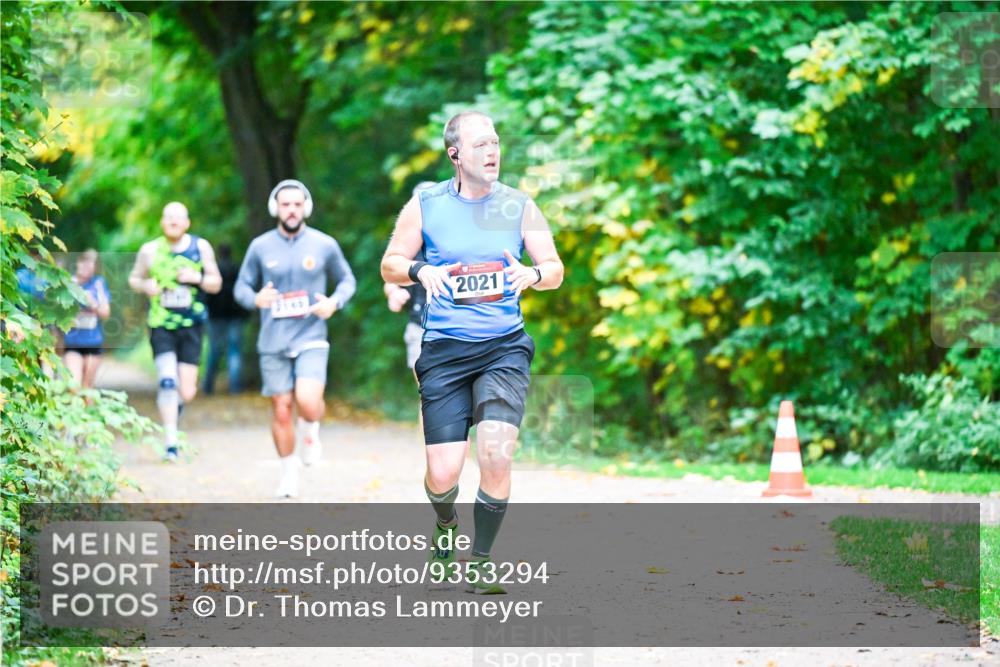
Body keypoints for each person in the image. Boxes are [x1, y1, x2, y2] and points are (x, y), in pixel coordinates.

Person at [381, 111, 564, 593]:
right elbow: (390, 264)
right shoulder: (426, 204)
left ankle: (480, 560)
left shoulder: (521, 206)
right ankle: (445, 528)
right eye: (481, 143)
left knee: (497, 453)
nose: (492, 151)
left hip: (503, 347)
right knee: (443, 474)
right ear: (455, 153)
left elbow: (554, 267)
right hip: (443, 350)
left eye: (496, 142)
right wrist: (421, 271)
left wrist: (535, 275)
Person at [235, 179, 356, 498]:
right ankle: (288, 472)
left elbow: (347, 281)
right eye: (286, 204)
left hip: (311, 334)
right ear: (276, 208)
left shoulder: (324, 244)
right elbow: (241, 287)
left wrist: (333, 302)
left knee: (307, 400)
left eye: (297, 204)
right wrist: (255, 299)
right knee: (282, 407)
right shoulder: (260, 246)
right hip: (273, 340)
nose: (291, 210)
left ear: (306, 207)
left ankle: (311, 428)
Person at [128, 202, 222, 461]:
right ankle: (171, 442)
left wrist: (198, 279)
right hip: (161, 324)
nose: (173, 222)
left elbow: (216, 283)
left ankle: (173, 414)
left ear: (187, 223)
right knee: (168, 380)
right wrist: (145, 285)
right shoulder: (150, 250)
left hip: (192, 325)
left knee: (187, 390)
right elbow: (134, 279)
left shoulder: (200, 247)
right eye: (168, 217)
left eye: (178, 218)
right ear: (162, 222)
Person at [383, 181, 435, 378]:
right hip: (419, 326)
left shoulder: (456, 240)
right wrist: (393, 293)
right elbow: (390, 278)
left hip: (458, 329)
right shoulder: (405, 243)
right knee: (430, 393)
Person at [202, 244, 249, 394]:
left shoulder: (213, 272)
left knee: (214, 351)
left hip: (215, 316)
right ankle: (235, 388)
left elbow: (206, 296)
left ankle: (208, 387)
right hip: (234, 316)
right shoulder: (237, 269)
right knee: (234, 352)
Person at [62, 249, 111, 389]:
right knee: (74, 386)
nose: (86, 268)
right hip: (72, 342)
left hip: (93, 343)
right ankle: (74, 410)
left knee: (87, 388)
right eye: (84, 263)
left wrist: (93, 303)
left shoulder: (98, 284)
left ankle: (87, 410)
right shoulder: (68, 283)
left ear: (96, 268)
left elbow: (106, 313)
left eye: (91, 265)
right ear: (78, 262)